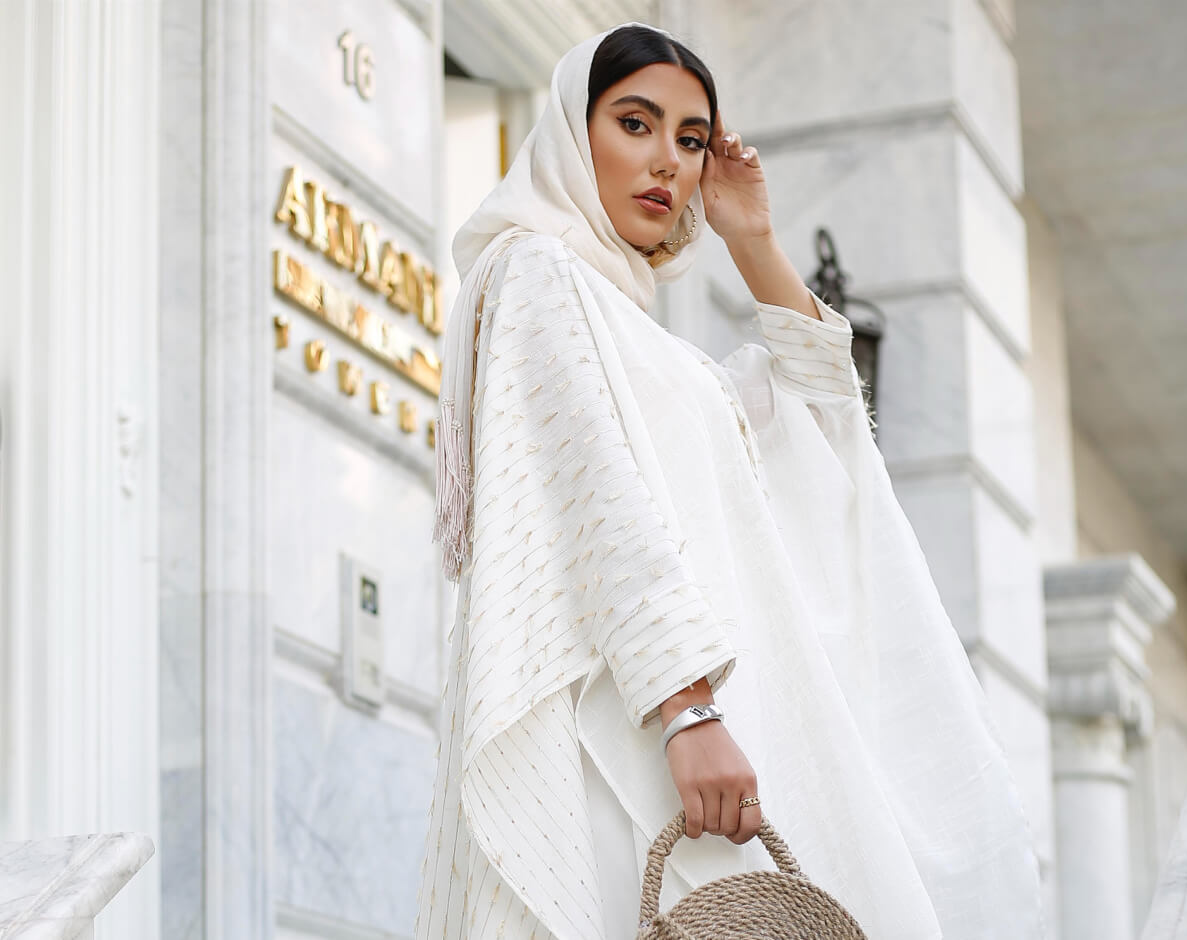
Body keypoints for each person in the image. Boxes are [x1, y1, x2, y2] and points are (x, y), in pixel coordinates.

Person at [415, 22, 1043, 940]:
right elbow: (600, 502)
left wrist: (752, 238)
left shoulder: (652, 345)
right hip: (632, 727)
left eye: (691, 138)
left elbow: (823, 413)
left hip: (690, 718)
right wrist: (688, 714)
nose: (666, 161)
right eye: (635, 123)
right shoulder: (536, 270)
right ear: (571, 132)